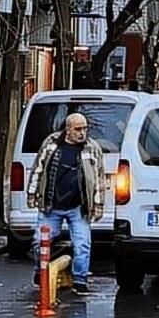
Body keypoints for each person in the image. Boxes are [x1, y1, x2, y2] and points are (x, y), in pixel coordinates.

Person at [30, 112, 106, 294]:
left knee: (82, 244)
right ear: (68, 129)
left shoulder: (91, 148)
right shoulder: (52, 145)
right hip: (51, 205)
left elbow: (98, 178)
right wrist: (32, 193)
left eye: (85, 129)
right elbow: (38, 169)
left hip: (78, 207)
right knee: (39, 242)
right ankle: (40, 271)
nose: (82, 133)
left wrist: (98, 204)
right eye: (78, 129)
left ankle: (80, 279)